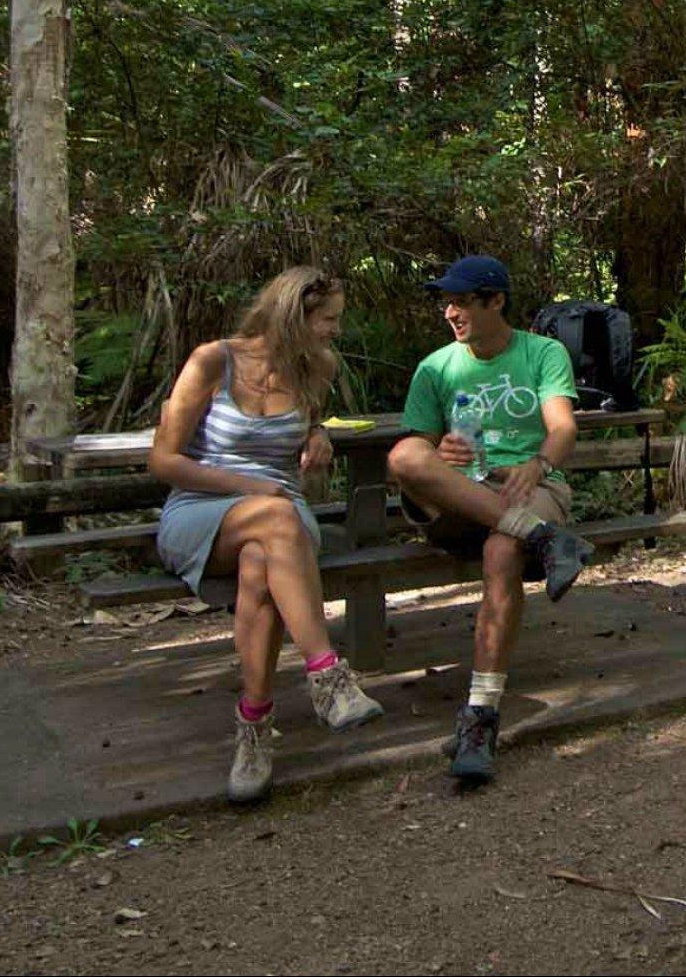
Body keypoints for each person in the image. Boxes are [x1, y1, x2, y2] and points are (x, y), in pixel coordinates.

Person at [149, 266, 384, 804]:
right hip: (203, 512)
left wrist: (319, 435)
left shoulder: (317, 368)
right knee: (272, 521)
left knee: (263, 559)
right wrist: (249, 486)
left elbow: (308, 436)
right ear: (291, 315)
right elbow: (162, 460)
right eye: (328, 319)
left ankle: (253, 726)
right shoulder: (213, 361)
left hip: (281, 517)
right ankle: (328, 677)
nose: (334, 331)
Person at [386, 254, 596, 785]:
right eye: (446, 302)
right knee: (404, 457)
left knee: (501, 550)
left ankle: (481, 717)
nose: (450, 312)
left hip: (530, 485)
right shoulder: (435, 367)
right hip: (462, 492)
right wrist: (441, 455)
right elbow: (418, 447)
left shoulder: (543, 353)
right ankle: (546, 540)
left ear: (495, 300)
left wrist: (538, 461)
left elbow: (563, 428)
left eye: (461, 301)